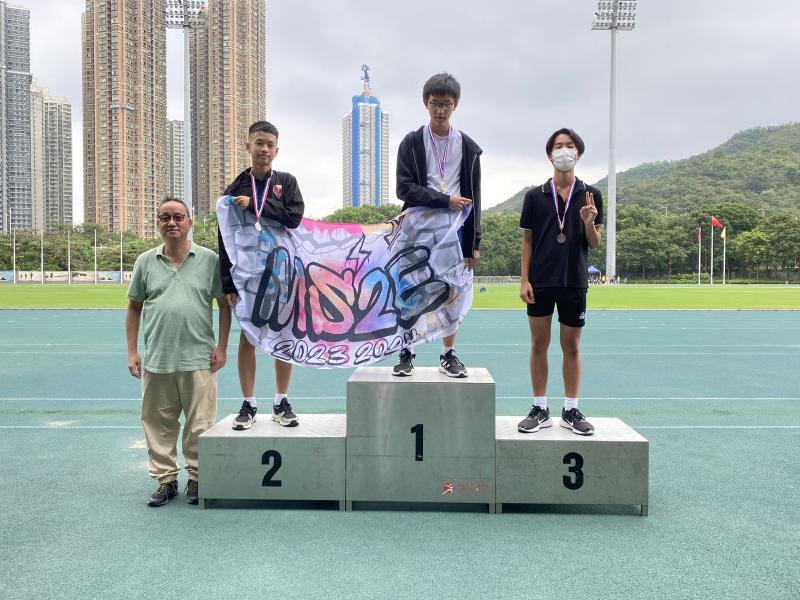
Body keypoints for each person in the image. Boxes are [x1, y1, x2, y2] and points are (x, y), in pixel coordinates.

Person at [126, 198, 231, 506]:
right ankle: (166, 481)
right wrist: (132, 352)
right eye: (164, 217)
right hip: (158, 359)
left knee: (200, 424)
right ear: (157, 223)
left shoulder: (210, 260)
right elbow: (134, 307)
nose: (171, 222)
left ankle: (197, 478)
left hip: (200, 358)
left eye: (178, 217)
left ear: (189, 222)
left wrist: (222, 347)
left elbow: (224, 306)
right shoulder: (146, 261)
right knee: (158, 423)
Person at [392, 72, 482, 378]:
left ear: (455, 104)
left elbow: (476, 199)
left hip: (454, 231)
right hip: (416, 227)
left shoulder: (468, 148)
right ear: (425, 103)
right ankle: (407, 351)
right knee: (410, 288)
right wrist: (444, 200)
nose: (440, 110)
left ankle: (448, 354)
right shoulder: (412, 142)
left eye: (445, 104)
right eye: (434, 104)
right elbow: (403, 189)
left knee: (453, 290)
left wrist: (474, 243)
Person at [218, 121, 305, 430]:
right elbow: (225, 235)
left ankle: (281, 401)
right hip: (248, 277)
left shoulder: (287, 182)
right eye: (259, 143)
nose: (264, 148)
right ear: (248, 146)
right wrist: (228, 282)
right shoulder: (235, 187)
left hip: (282, 273)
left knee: (284, 335)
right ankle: (249, 403)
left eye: (270, 144)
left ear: (276, 150)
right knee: (248, 337)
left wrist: (257, 204)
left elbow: (294, 218)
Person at [517, 128, 603, 436]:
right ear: (549, 154)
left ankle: (571, 409)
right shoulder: (534, 196)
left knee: (572, 346)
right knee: (539, 344)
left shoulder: (591, 195)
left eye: (569, 146)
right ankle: (540, 407)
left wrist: (589, 221)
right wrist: (524, 279)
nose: (563, 151)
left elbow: (594, 243)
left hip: (574, 281)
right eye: (558, 146)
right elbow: (527, 241)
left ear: (578, 154)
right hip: (539, 281)